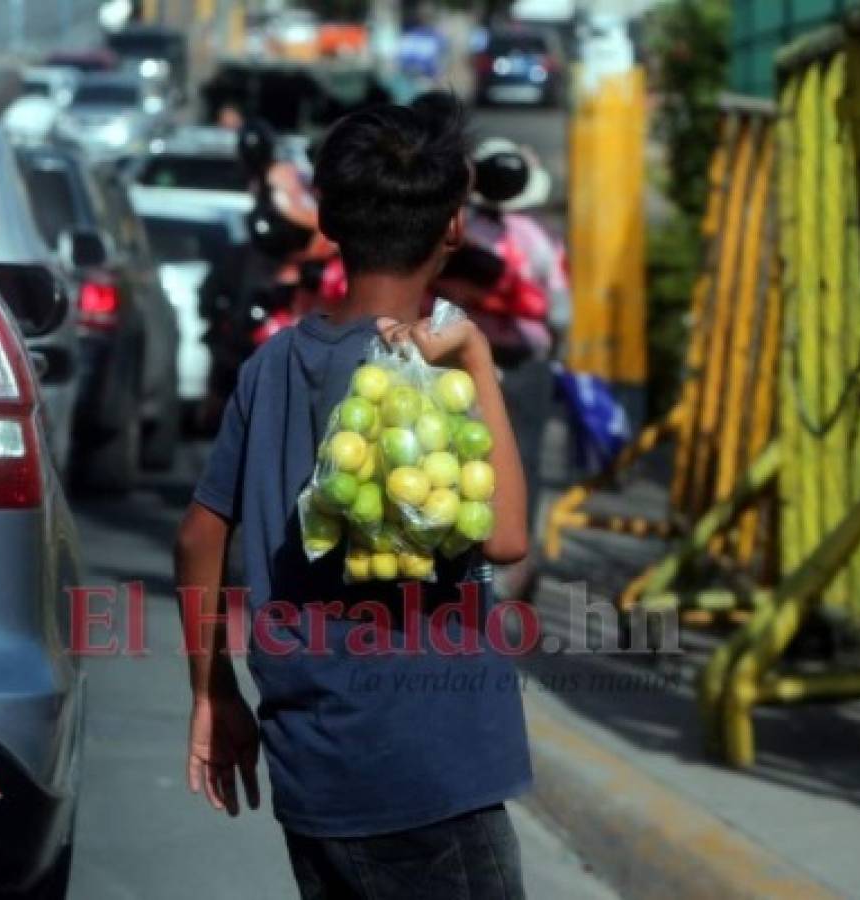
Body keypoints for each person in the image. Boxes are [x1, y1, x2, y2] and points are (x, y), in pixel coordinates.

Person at [175, 98, 532, 899]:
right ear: (451, 229)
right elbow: (505, 536)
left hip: (314, 772)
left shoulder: (270, 367)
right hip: (428, 775)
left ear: (327, 219)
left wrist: (213, 692)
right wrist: (473, 350)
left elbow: (200, 535)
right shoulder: (439, 372)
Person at [436, 139, 570, 543]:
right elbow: (561, 312)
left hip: (457, 357)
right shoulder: (541, 239)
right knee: (521, 457)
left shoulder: (455, 231)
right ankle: (516, 553)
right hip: (523, 361)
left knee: (452, 453)